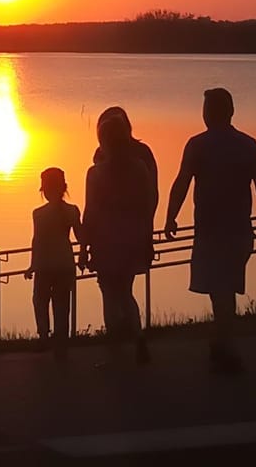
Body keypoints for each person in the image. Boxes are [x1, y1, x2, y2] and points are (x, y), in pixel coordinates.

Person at [163, 88, 256, 373]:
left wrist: (170, 216)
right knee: (223, 288)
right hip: (239, 228)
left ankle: (226, 346)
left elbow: (182, 183)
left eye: (205, 109)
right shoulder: (248, 145)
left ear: (210, 113)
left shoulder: (197, 145)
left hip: (211, 228)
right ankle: (221, 340)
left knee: (220, 288)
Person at [82, 114, 157, 365]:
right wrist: (148, 239)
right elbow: (148, 205)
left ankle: (114, 349)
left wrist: (84, 247)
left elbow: (90, 211)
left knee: (108, 292)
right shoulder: (139, 168)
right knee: (125, 292)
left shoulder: (95, 173)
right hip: (133, 236)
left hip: (106, 239)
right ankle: (138, 338)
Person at [24, 168, 83, 360]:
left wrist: (33, 265)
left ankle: (44, 336)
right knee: (62, 304)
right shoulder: (72, 210)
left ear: (44, 190)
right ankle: (61, 342)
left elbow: (37, 240)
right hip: (65, 262)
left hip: (45, 264)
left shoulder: (38, 214)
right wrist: (84, 255)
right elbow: (81, 236)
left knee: (40, 300)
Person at [92, 105, 159, 268]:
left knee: (114, 288)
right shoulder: (100, 155)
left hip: (121, 235)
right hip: (115, 233)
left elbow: (151, 197)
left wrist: (146, 233)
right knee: (117, 288)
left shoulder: (142, 154)